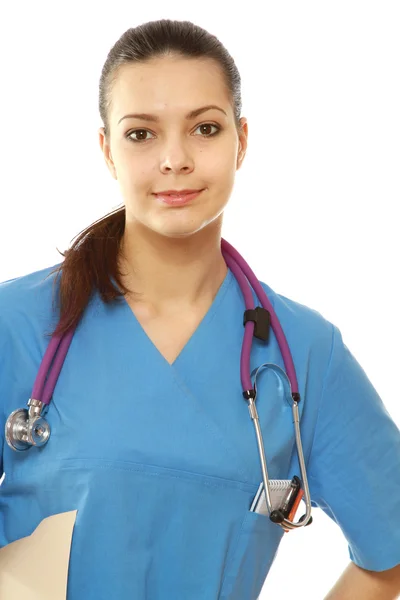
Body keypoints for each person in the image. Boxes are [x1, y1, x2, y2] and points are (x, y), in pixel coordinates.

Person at [0, 18, 399, 600]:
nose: (174, 159)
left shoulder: (306, 355)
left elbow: (389, 551)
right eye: (141, 134)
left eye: (204, 128)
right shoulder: (18, 325)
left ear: (242, 140)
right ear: (107, 149)